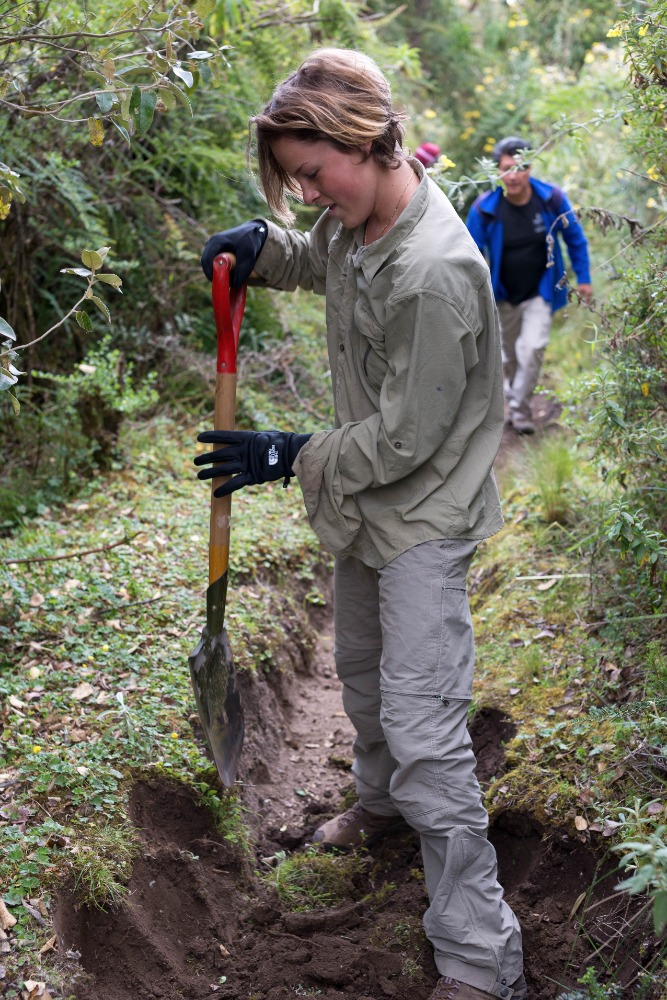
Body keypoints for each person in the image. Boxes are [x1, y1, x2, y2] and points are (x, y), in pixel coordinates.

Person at [196, 49, 526, 1000]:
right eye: (292, 181)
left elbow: (409, 437)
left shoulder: (432, 272)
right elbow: (326, 262)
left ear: (366, 140)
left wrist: (288, 452)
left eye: (311, 174)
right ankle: (380, 811)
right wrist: (266, 249)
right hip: (367, 505)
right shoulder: (362, 218)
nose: (306, 194)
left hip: (421, 512)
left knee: (424, 727)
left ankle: (480, 955)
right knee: (363, 673)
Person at [466, 136, 592, 434]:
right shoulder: (485, 209)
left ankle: (520, 411)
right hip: (502, 295)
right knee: (507, 357)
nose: (513, 176)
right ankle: (514, 399)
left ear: (530, 168)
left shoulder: (551, 200)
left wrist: (584, 278)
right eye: (507, 169)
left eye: (520, 168)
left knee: (532, 348)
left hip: (541, 291)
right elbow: (468, 253)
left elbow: (575, 239)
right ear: (497, 171)